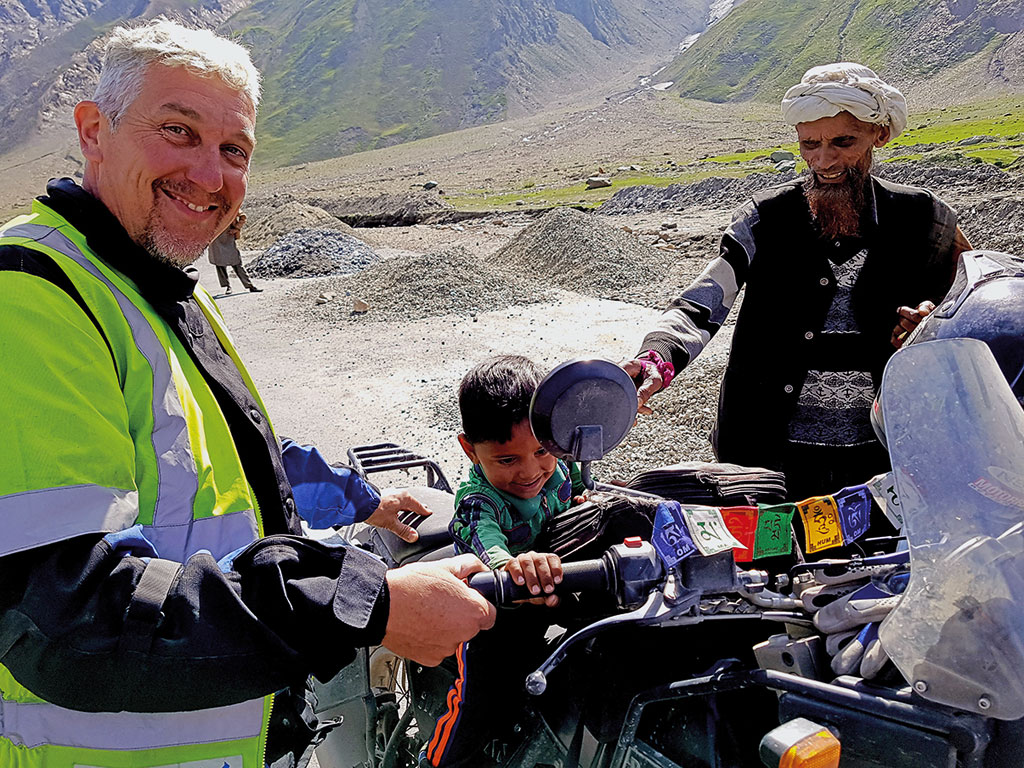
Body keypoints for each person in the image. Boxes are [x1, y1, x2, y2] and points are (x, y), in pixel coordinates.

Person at [0, 19, 494, 768]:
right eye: (178, 130)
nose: (209, 175)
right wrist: (368, 606)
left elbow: (235, 465)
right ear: (93, 130)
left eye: (234, 151)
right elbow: (68, 618)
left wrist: (362, 505)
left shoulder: (148, 287)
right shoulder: (32, 300)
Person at [624, 62, 973, 503]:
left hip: (888, 454)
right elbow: (704, 301)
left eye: (843, 142)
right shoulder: (765, 218)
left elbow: (974, 300)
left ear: (878, 136)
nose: (823, 161)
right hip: (767, 458)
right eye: (810, 144)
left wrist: (933, 321)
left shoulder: (926, 217)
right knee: (771, 563)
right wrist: (656, 359)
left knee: (874, 564)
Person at [422, 355, 586, 768]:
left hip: (553, 594)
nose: (531, 471)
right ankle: (436, 762)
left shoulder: (562, 467)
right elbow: (489, 549)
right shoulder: (479, 504)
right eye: (507, 460)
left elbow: (590, 492)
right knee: (477, 705)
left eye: (540, 451)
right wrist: (515, 566)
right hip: (491, 617)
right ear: (470, 450)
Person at [208, 210, 261, 293]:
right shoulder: (210, 207)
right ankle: (227, 286)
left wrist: (236, 228)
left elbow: (243, 216)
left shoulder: (230, 205)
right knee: (220, 263)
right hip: (216, 238)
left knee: (236, 262)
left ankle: (249, 285)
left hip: (229, 236)